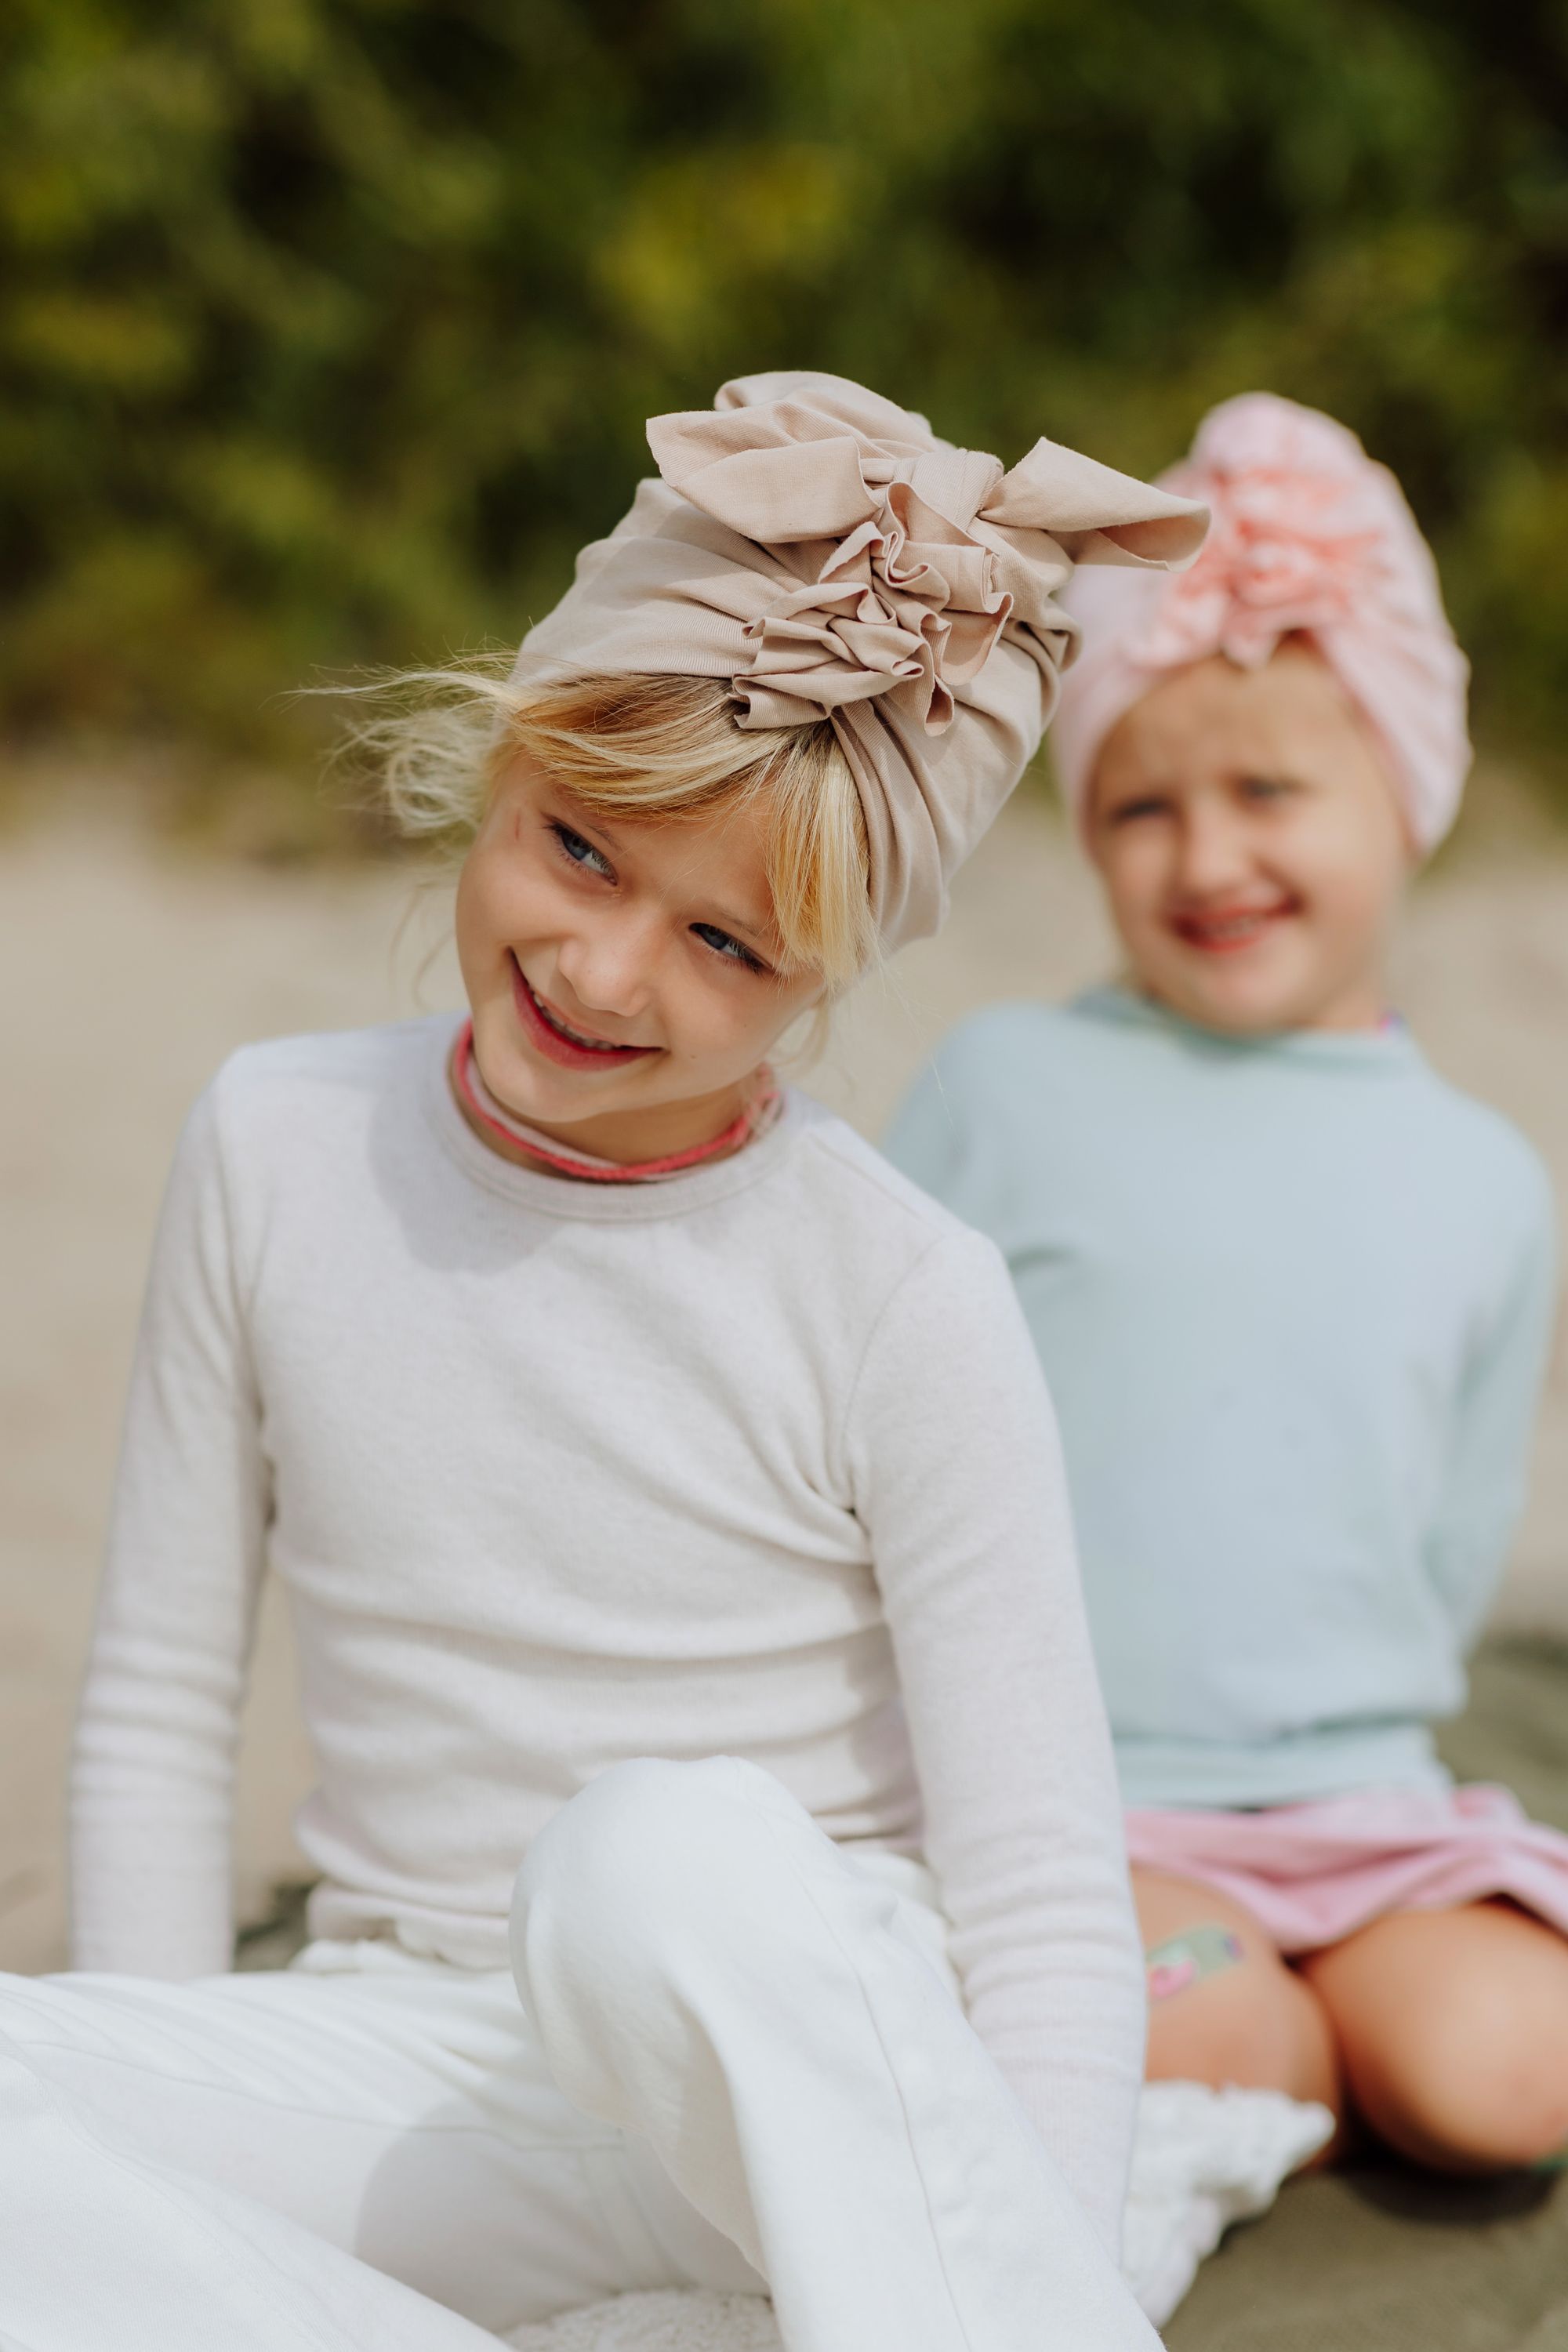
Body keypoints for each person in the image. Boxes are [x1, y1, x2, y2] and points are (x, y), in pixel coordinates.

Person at [5, 374, 1207, 2352]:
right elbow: (154, 1698)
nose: (606, 970)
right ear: (506, 763)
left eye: (728, 947)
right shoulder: (270, 1143)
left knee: (648, 1859)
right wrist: (166, 2107)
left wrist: (1039, 2272)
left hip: (780, 2067)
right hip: (423, 2070)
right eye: (579, 850)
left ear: (828, 976)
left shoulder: (898, 1289)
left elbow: (1045, 1895)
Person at [887, 392, 1568, 2178]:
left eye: (1270, 790)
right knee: (1195, 2023)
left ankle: (1338, 2007)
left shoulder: (1484, 1178)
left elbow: (1443, 1537)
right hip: (1080, 1804)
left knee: (1515, 2078)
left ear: (1403, 796)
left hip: (1362, 1798)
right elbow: (865, 1426)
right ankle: (1269, 2020)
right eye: (1138, 808)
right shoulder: (1004, 1089)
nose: (1207, 860)